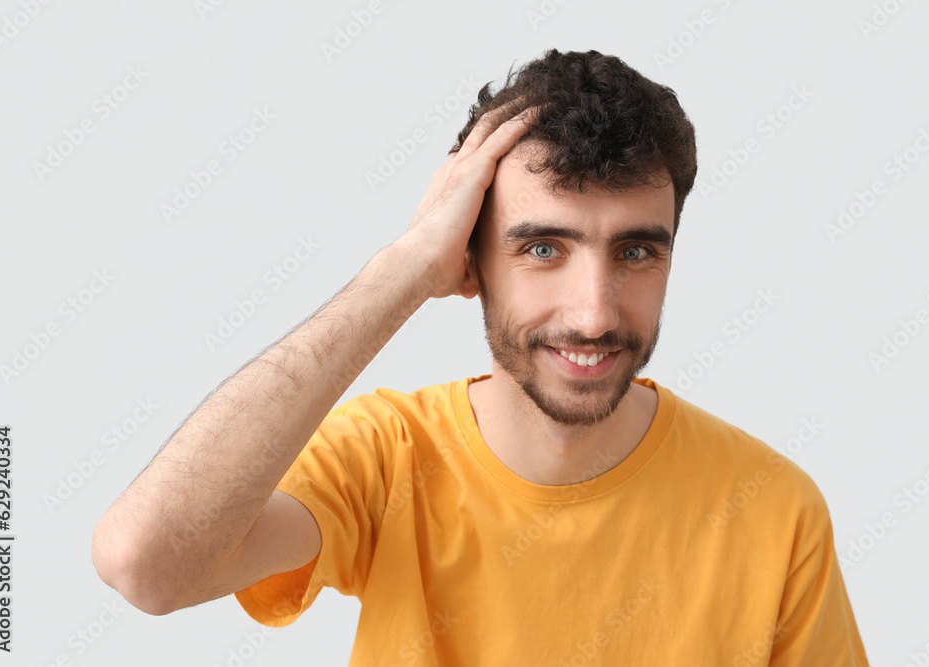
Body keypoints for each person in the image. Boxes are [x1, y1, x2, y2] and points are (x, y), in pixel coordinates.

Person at [92, 49, 871, 664]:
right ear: (469, 260)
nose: (594, 313)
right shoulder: (388, 457)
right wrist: (399, 271)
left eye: (635, 251)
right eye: (542, 247)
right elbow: (146, 563)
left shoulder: (773, 508)